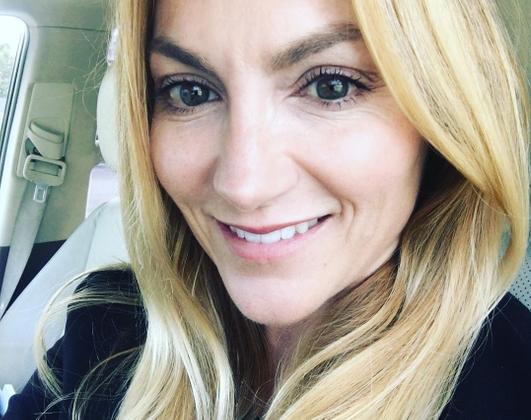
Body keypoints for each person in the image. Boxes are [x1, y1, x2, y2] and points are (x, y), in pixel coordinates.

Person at [3, 0, 531, 418]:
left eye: (330, 86)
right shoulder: (105, 326)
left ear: (441, 119)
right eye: (190, 92)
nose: (243, 186)